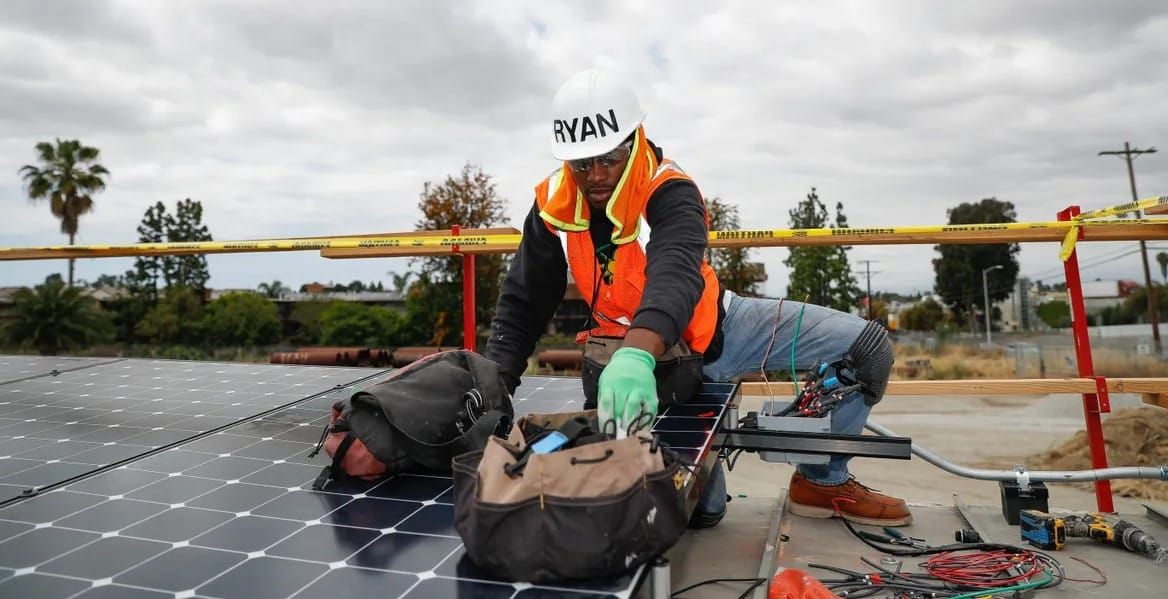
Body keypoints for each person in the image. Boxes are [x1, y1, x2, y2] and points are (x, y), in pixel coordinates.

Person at [484, 68, 911, 527]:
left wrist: (638, 354)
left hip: (717, 329)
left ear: (634, 139)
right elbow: (523, 302)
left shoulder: (669, 188)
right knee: (697, 513)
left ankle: (821, 481)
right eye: (582, 164)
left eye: (608, 158)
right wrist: (494, 386)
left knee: (867, 349)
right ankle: (693, 468)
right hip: (640, 367)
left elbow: (676, 274)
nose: (596, 175)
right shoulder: (554, 204)